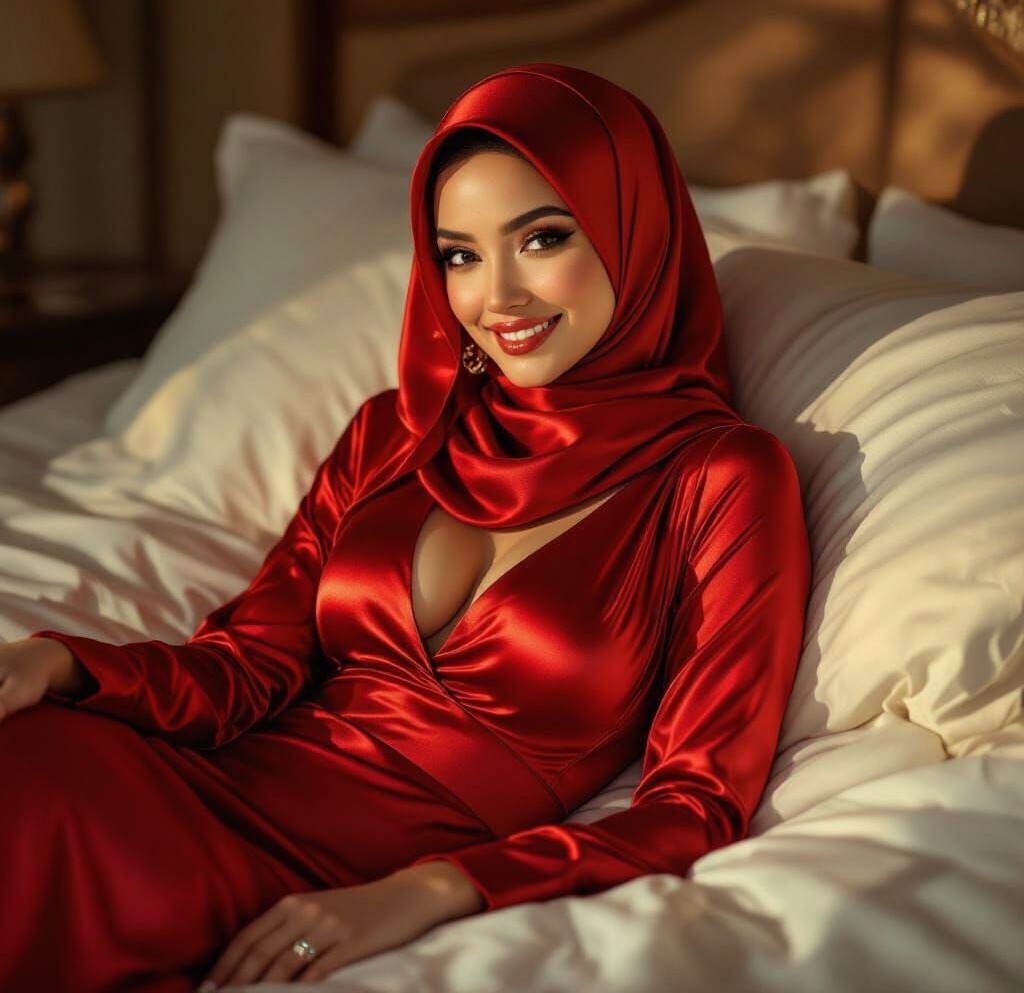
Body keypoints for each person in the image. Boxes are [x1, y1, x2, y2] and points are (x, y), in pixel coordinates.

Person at [0, 62, 811, 992]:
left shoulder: (723, 477)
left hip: (302, 879)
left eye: (542, 238)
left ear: (637, 232)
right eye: (459, 254)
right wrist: (63, 665)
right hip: (167, 784)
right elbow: (244, 663)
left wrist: (435, 890)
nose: (496, 296)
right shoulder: (397, 429)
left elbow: (694, 802)